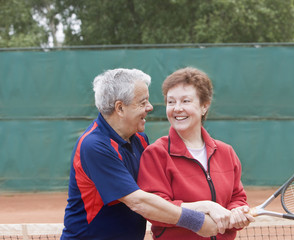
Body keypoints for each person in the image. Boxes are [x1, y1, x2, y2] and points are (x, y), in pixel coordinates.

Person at [60, 68, 225, 240]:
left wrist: (206, 206)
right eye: (143, 102)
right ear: (120, 108)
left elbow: (155, 197)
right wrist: (197, 221)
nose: (150, 107)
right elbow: (138, 201)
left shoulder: (139, 138)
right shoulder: (94, 145)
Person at [137, 67, 254, 240]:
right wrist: (204, 207)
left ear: (204, 106)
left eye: (185, 101)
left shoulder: (226, 152)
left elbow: (237, 197)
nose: (177, 108)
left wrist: (237, 212)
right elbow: (156, 209)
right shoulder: (156, 153)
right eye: (171, 102)